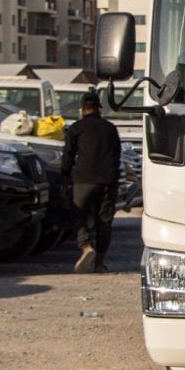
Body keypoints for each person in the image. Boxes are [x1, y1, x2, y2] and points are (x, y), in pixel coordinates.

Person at [61, 90, 121, 273]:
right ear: (99, 108)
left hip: (83, 180)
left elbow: (68, 156)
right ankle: (100, 263)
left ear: (82, 109)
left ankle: (86, 246)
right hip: (107, 181)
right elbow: (117, 154)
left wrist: (65, 178)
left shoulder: (76, 128)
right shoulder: (110, 128)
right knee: (104, 220)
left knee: (77, 215)